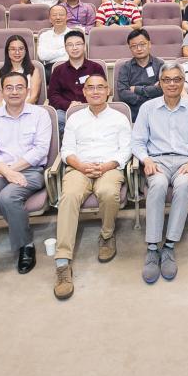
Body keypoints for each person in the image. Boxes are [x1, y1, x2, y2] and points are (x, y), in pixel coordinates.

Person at [53, 74, 132, 299]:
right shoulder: (74, 119)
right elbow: (67, 150)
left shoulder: (119, 118)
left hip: (109, 167)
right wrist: (81, 165)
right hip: (79, 168)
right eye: (91, 88)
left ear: (108, 91)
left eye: (100, 87)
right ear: (84, 92)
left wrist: (106, 166)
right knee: (68, 197)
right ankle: (62, 261)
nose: (96, 91)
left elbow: (125, 150)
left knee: (108, 193)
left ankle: (107, 236)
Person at [0, 73, 51, 282]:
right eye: (9, 88)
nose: (14, 91)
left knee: (7, 198)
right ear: (2, 91)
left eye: (19, 87)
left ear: (28, 91)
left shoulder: (40, 115)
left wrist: (10, 170)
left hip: (30, 171)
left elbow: (40, 150)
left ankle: (26, 245)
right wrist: (6, 171)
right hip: (0, 170)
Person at [132, 63, 188, 283]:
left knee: (184, 184)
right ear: (160, 83)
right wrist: (145, 159)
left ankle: (168, 246)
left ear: (183, 81)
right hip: (157, 160)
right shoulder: (148, 108)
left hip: (186, 160)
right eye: (167, 80)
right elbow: (137, 141)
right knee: (156, 185)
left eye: (177, 79)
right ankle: (151, 247)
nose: (172, 84)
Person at [47, 30, 105, 133]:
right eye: (70, 45)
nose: (74, 48)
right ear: (65, 48)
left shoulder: (96, 68)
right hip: (66, 112)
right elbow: (53, 96)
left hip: (92, 109)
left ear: (84, 46)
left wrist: (89, 105)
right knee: (56, 120)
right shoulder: (58, 70)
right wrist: (68, 105)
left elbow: (102, 90)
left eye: (78, 44)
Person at [115, 29, 165, 120]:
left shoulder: (160, 65)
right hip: (134, 113)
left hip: (157, 111)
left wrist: (136, 89)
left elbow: (162, 89)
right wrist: (149, 96)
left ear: (149, 44)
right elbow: (123, 92)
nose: (139, 49)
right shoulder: (125, 68)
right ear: (130, 48)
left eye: (142, 44)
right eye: (134, 46)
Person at [0, 35, 42, 108]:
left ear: (25, 51)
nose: (17, 52)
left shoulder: (33, 71)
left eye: (21, 49)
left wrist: (18, 111)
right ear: (7, 51)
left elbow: (34, 97)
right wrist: (4, 113)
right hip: (3, 113)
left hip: (26, 110)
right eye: (13, 49)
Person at [37, 4, 71, 79]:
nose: (58, 17)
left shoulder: (73, 35)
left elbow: (74, 55)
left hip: (70, 66)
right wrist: (64, 50)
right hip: (50, 69)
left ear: (67, 17)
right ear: (50, 19)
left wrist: (51, 53)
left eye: (61, 15)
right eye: (54, 15)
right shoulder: (44, 35)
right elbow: (42, 56)